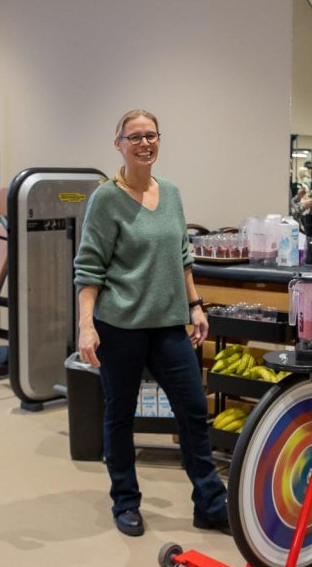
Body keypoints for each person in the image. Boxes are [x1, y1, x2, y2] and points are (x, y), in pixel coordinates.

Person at [74, 109, 229, 538]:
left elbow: (182, 255)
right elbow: (89, 268)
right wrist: (87, 326)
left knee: (194, 411)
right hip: (120, 326)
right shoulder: (106, 198)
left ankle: (210, 505)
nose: (145, 144)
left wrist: (195, 305)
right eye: (135, 137)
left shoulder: (173, 193)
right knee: (119, 415)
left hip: (168, 324)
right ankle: (125, 502)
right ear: (118, 144)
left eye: (151, 136)